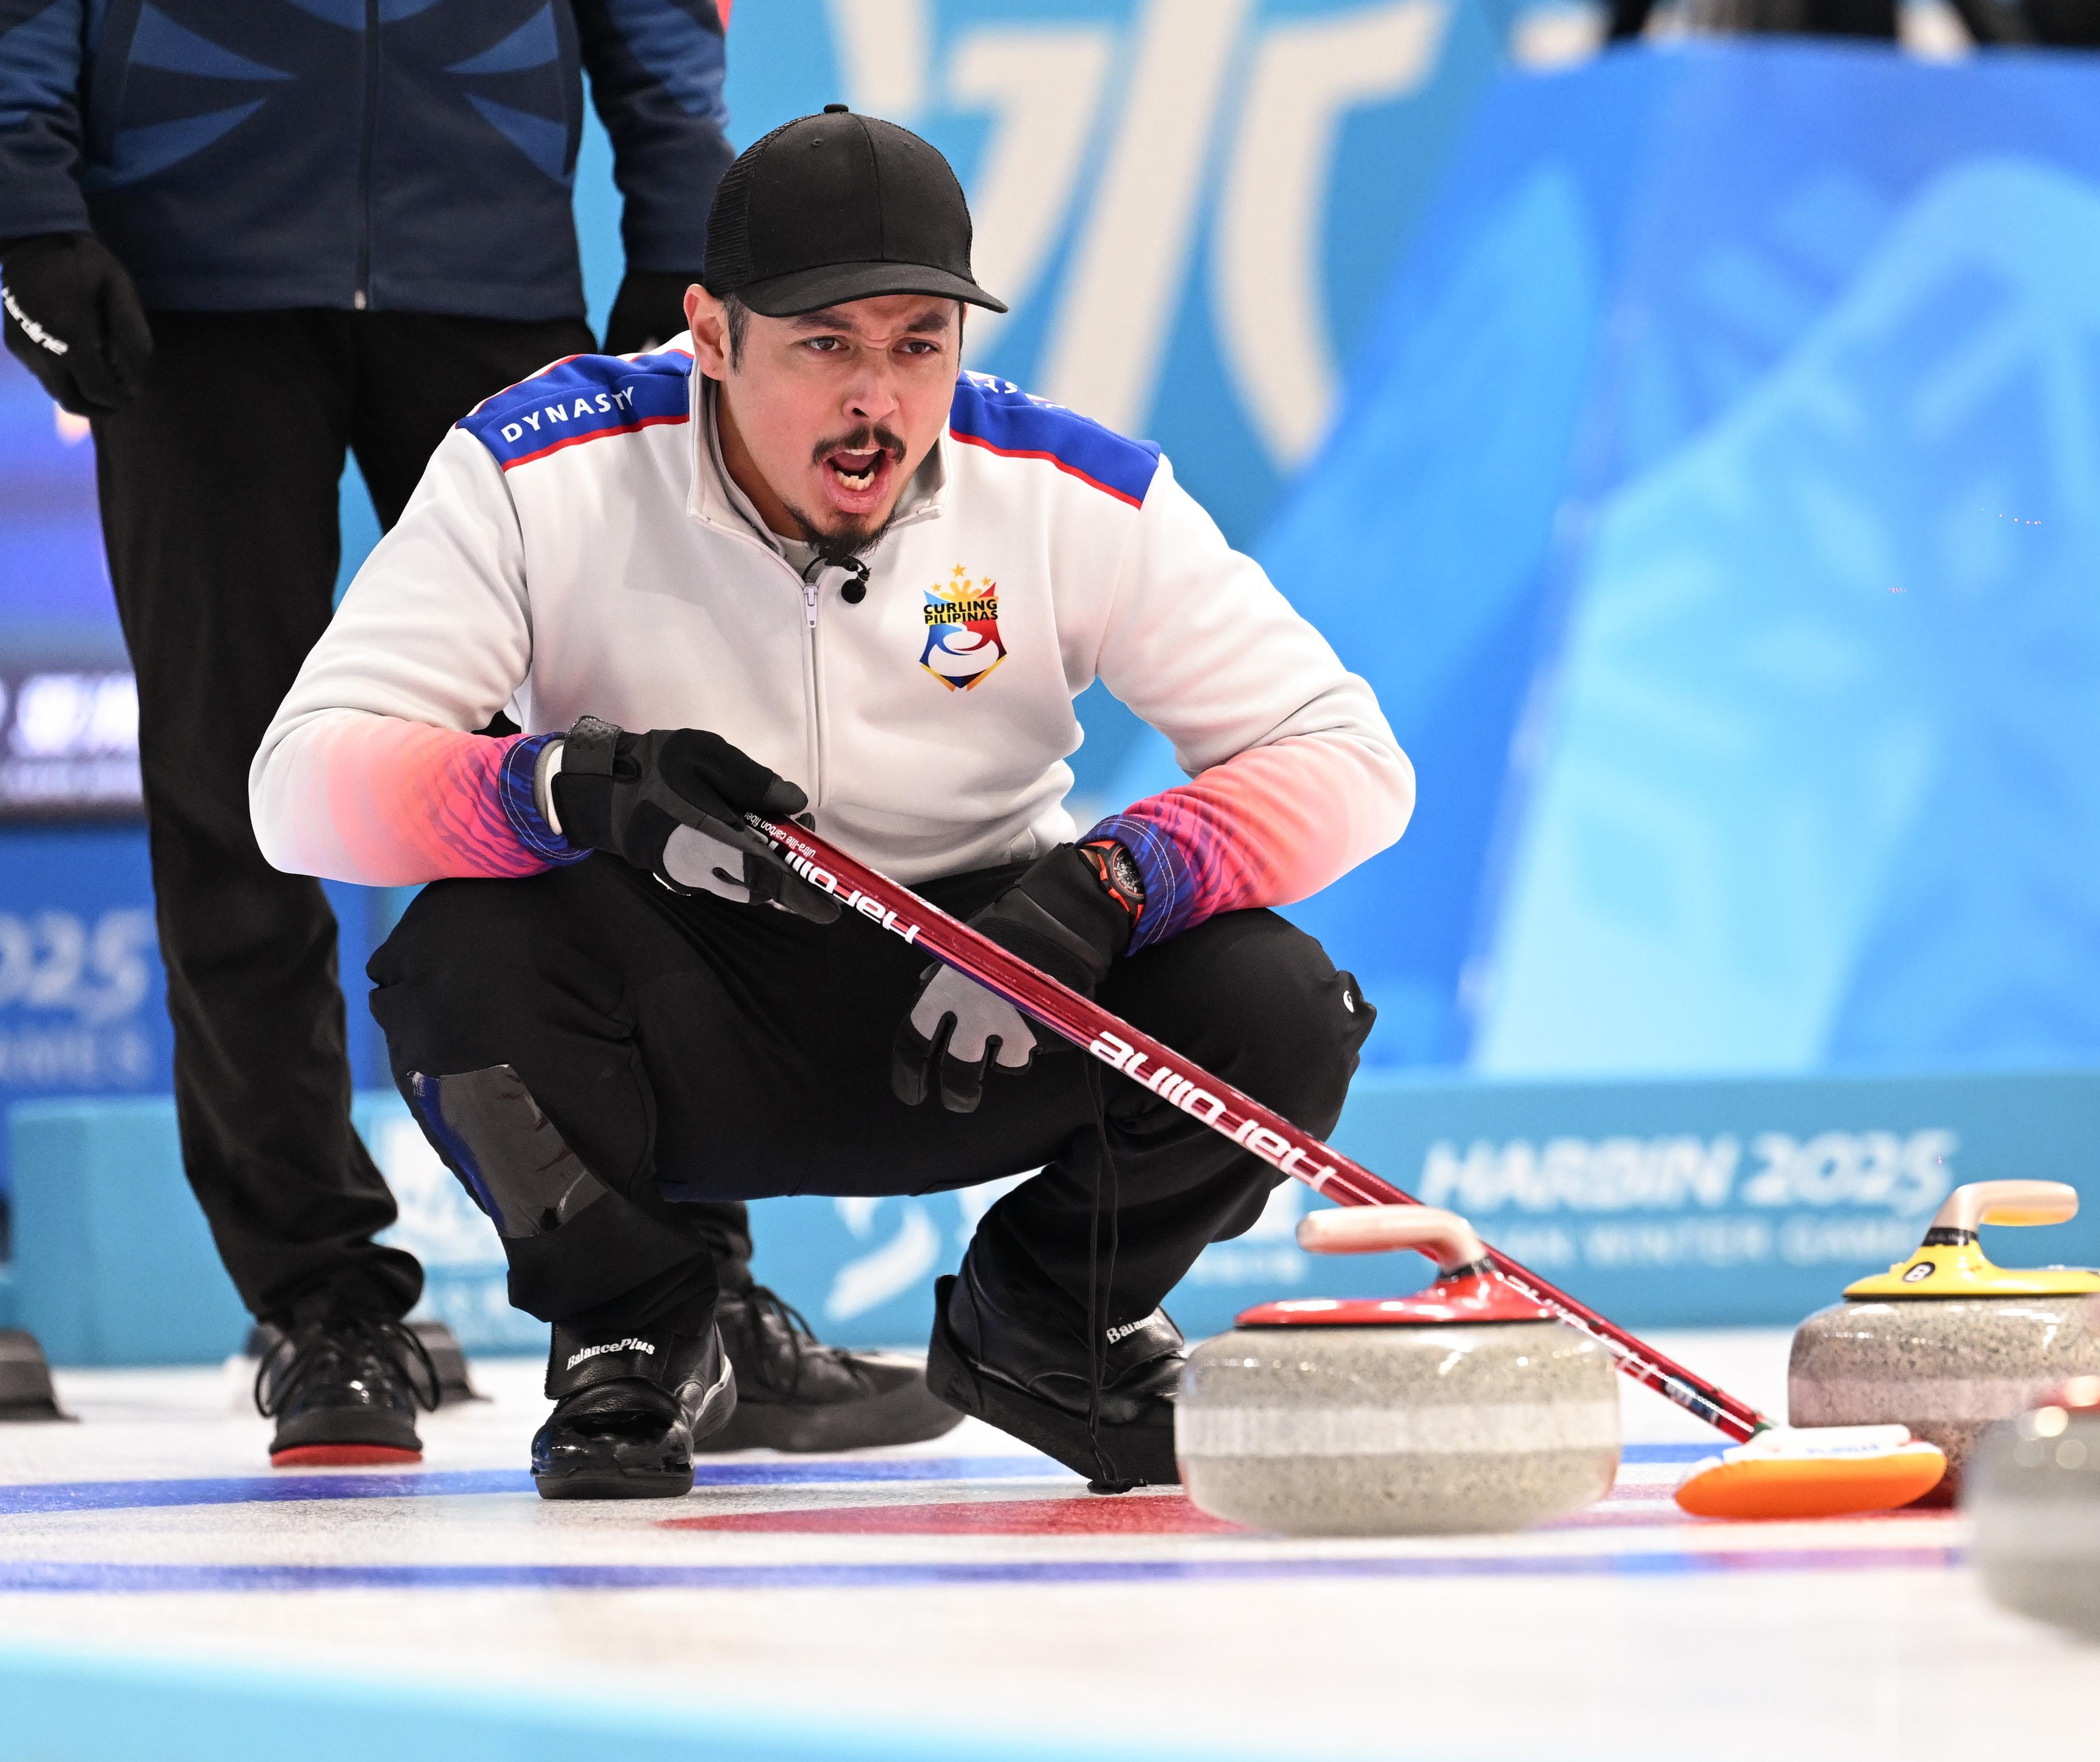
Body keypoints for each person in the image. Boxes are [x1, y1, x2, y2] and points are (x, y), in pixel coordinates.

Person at [245, 107, 1413, 1499]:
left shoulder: (1062, 486)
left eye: (920, 342)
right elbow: (297, 789)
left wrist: (1111, 885)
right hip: (687, 1007)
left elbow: (1350, 757)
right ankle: (636, 1321)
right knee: (461, 956)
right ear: (713, 335)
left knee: (1279, 1003)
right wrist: (566, 786)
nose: (879, 398)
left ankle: (1049, 1318)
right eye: (825, 344)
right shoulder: (539, 465)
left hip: (990, 990)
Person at [0, 2, 924, 1468]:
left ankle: (684, 1285)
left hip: (488, 270)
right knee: (235, 795)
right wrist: (25, 196)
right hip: (194, 279)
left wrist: (682, 207)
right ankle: (321, 1303)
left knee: (617, 777)